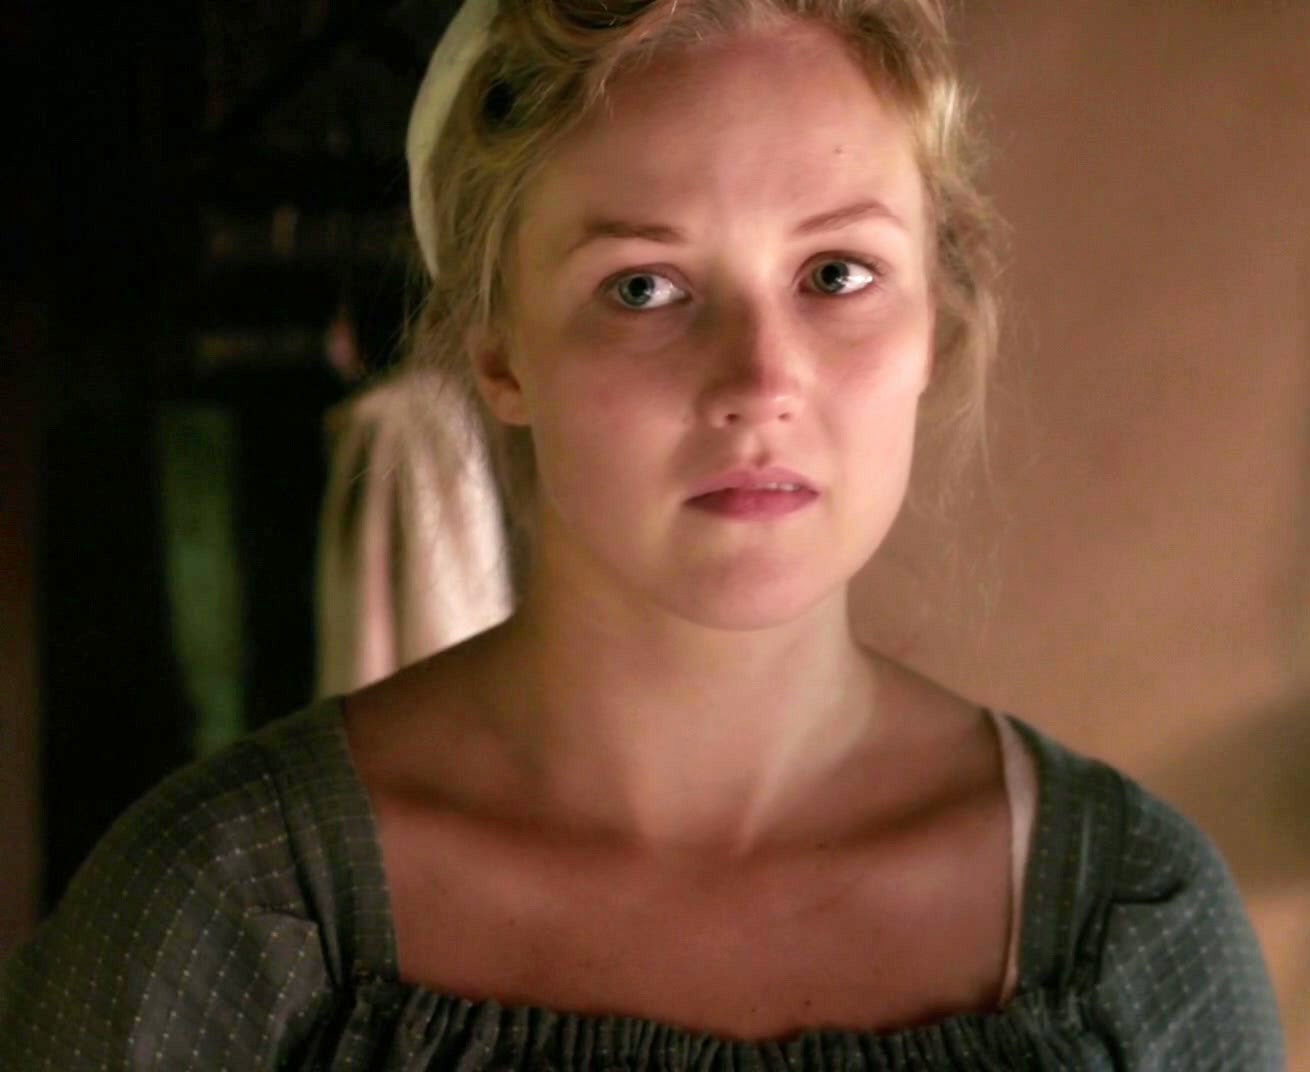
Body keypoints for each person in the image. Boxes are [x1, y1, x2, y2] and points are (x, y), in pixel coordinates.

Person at [0, 0, 1286, 1067]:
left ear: (932, 326)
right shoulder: (224, 907)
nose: (759, 381)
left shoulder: (1130, 923)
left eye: (835, 273)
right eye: (643, 286)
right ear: (499, 350)